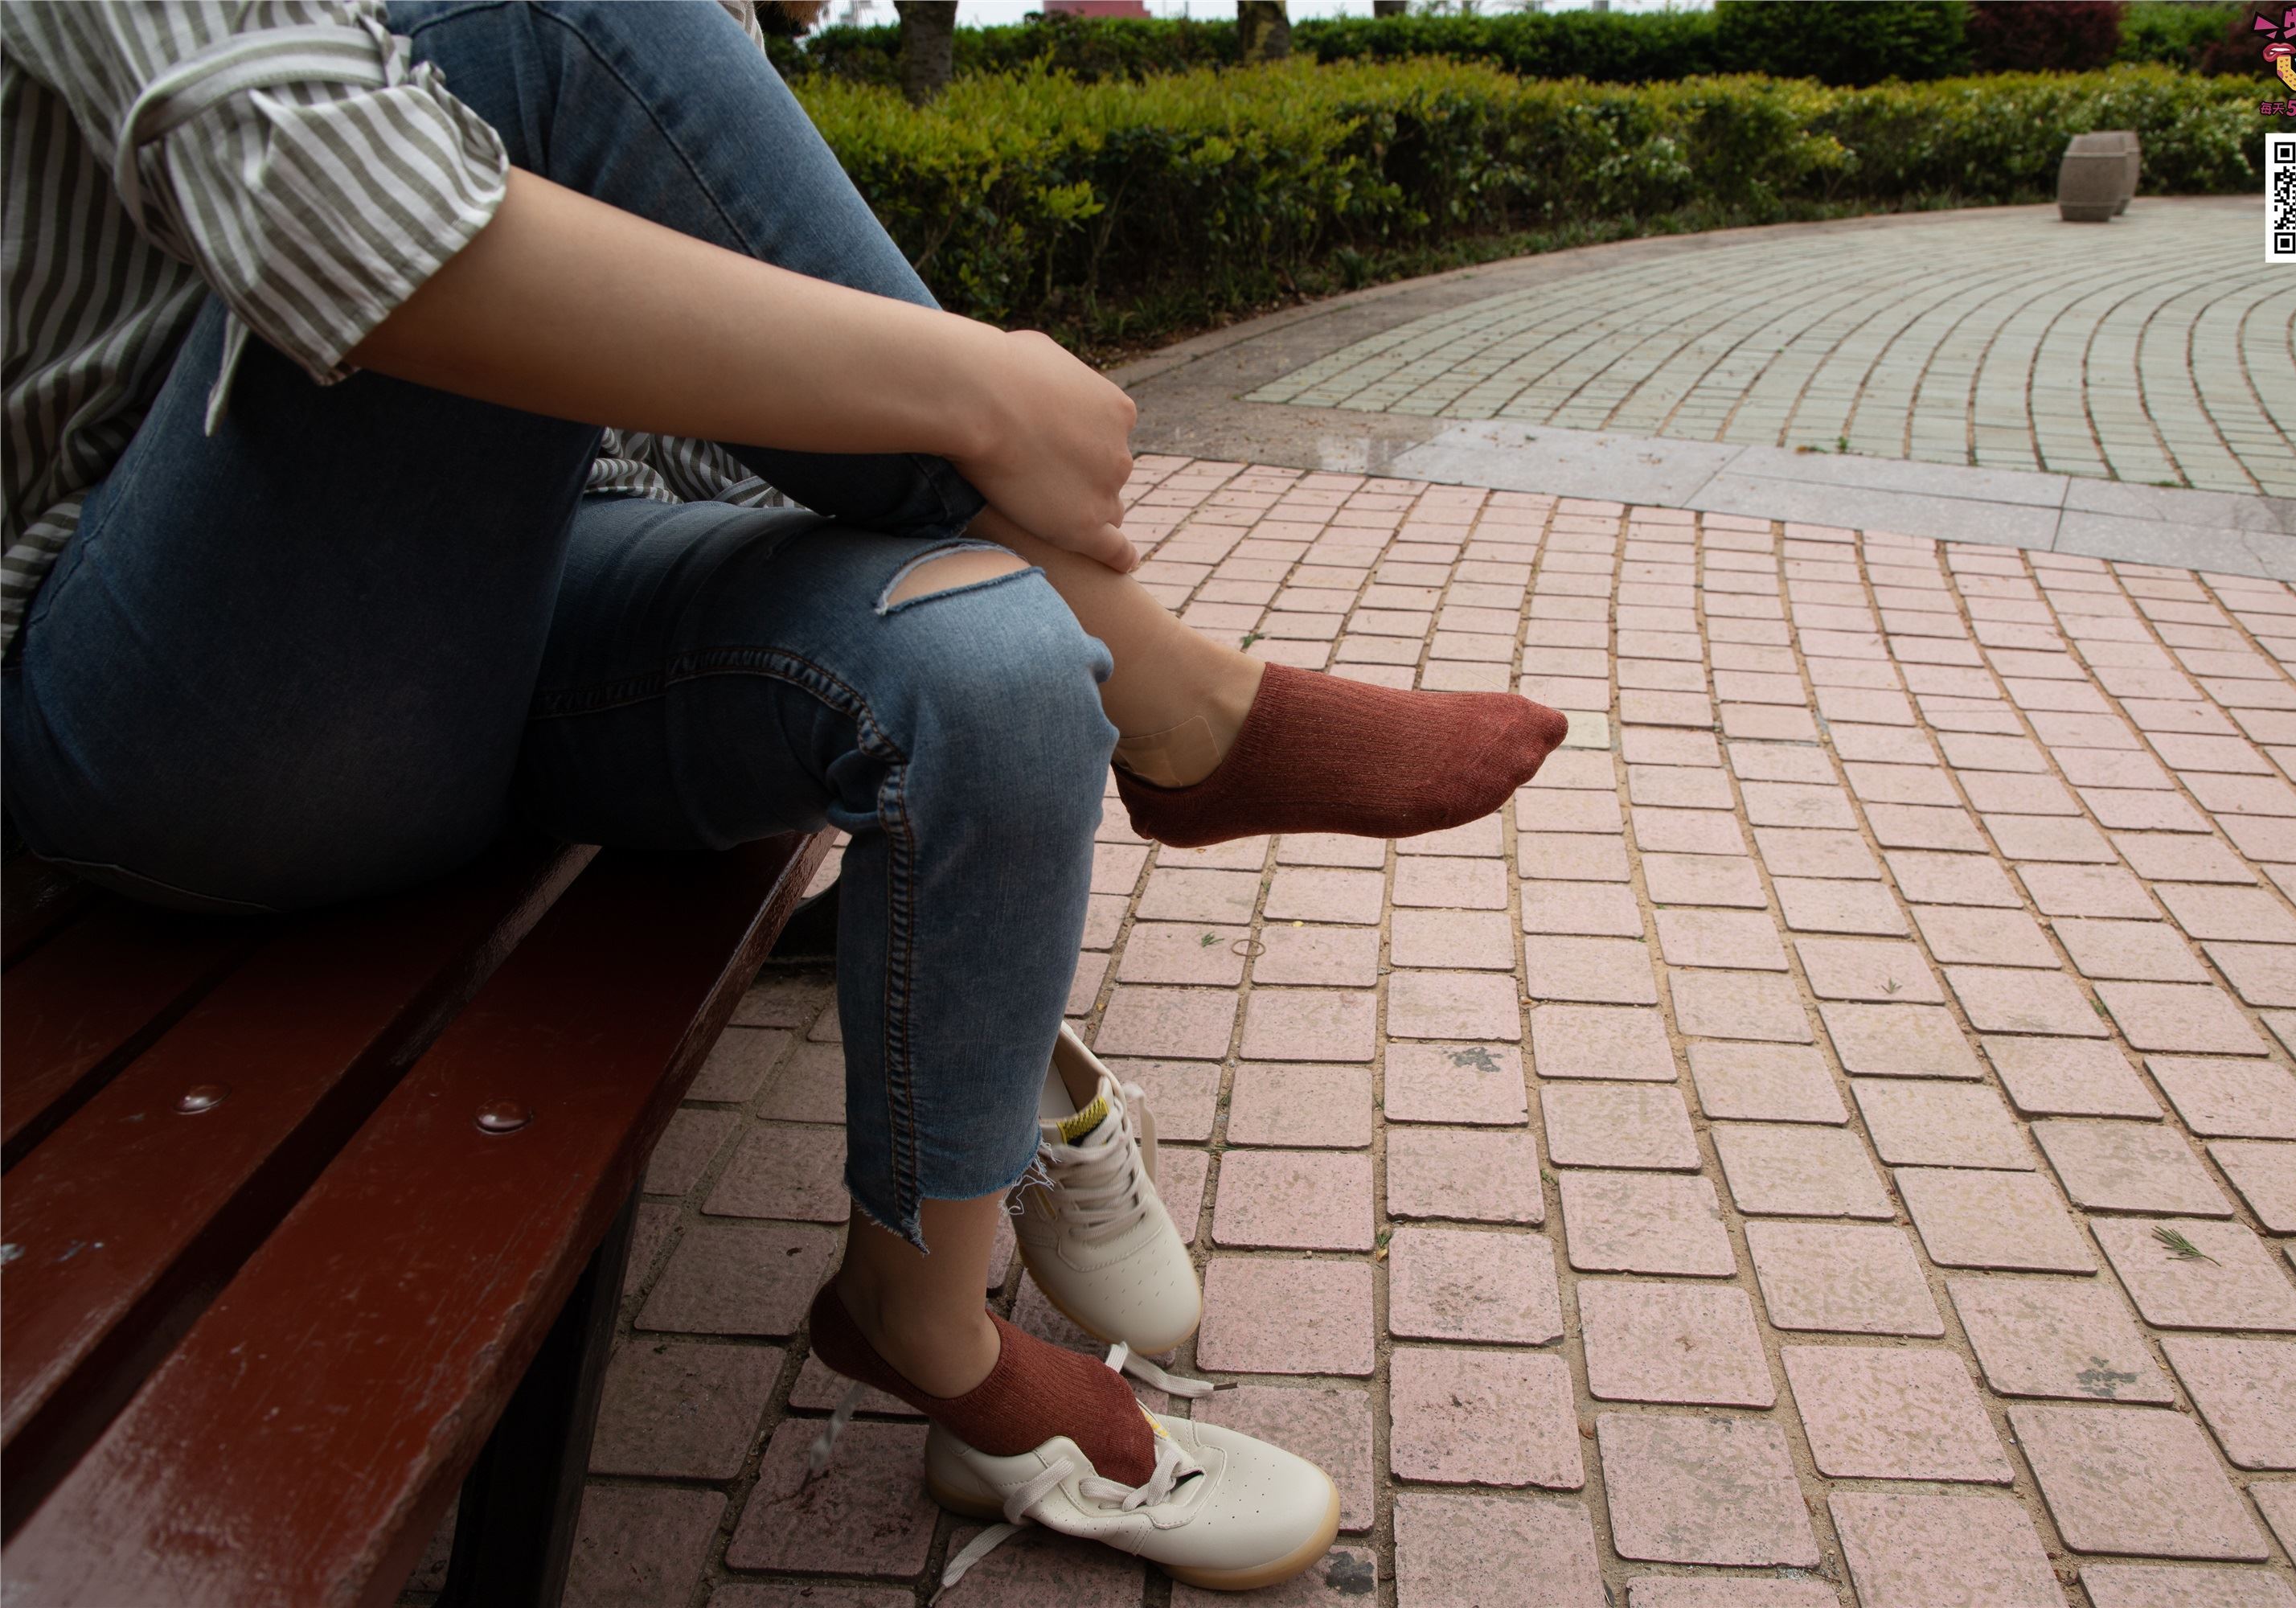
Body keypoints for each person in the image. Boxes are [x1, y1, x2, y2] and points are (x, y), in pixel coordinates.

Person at [0, 0, 1566, 1590]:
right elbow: (329, 191)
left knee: (990, 650)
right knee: (530, 14)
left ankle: (931, 1327)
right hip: (174, 701)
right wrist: (968, 389)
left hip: (509, 609)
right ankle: (1179, 704)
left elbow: (686, 416)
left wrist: (914, 507)